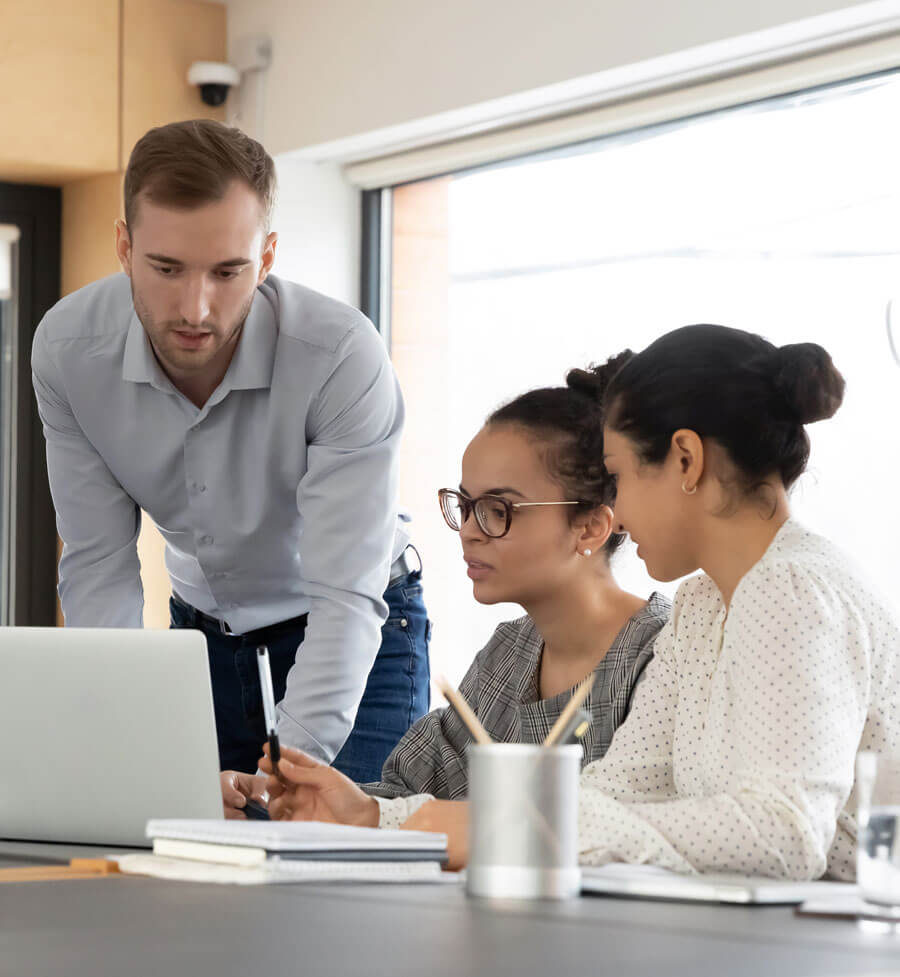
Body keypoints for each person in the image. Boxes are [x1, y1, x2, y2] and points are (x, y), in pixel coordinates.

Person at [340, 323, 898, 876]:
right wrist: (380, 819)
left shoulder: (792, 590)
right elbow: (616, 791)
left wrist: (505, 831)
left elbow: (784, 836)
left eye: (618, 475)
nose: (618, 516)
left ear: (685, 459)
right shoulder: (702, 606)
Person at [31, 119, 430, 785]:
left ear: (267, 257)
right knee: (187, 865)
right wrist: (128, 744)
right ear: (125, 247)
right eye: (166, 268)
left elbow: (343, 596)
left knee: (340, 870)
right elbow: (99, 568)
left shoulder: (339, 356)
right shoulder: (70, 352)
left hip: (357, 632)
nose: (197, 307)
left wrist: (281, 772)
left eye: (228, 271)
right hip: (202, 639)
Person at [255, 356, 671, 831]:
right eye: (466, 505)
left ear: (591, 527)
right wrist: (314, 800)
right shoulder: (508, 653)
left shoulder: (663, 656)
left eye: (498, 509)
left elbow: (610, 828)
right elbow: (406, 793)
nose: (469, 531)